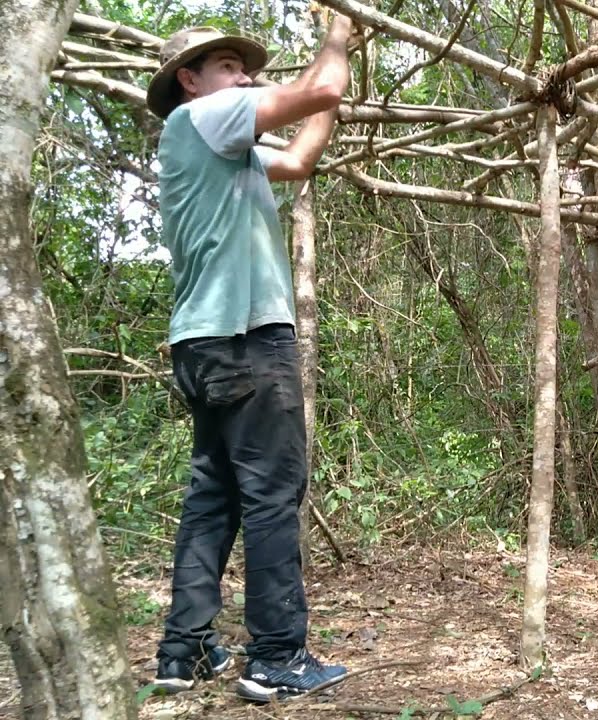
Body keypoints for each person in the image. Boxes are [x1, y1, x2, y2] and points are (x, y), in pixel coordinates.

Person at [144, 14, 356, 704]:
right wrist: (338, 38)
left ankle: (183, 650)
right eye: (229, 66)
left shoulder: (213, 147)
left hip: (203, 344)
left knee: (215, 498)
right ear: (191, 80)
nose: (244, 77)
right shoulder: (205, 117)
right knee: (271, 495)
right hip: (245, 339)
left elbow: (297, 162)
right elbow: (321, 83)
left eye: (243, 67)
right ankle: (277, 656)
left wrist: (330, 100)